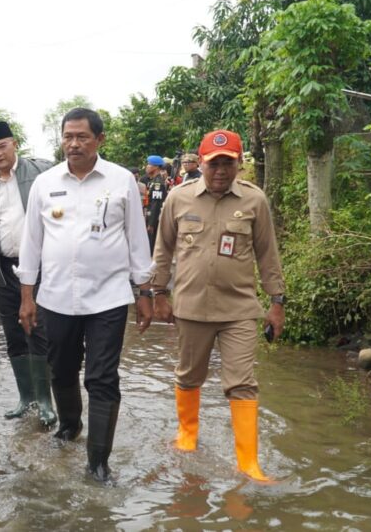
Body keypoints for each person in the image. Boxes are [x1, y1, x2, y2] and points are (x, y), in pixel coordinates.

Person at [18, 108, 154, 482]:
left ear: (100, 140)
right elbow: (31, 243)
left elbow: (136, 239)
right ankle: (70, 426)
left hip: (108, 297)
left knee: (102, 377)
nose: (73, 144)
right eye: (68, 137)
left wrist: (145, 290)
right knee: (60, 368)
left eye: (82, 137)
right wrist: (27, 296)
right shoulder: (45, 184)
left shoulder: (121, 180)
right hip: (56, 297)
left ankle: (98, 461)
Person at [151, 129, 285, 482]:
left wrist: (277, 302)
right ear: (202, 162)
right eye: (213, 164)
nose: (220, 171)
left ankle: (248, 465)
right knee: (189, 376)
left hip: (239, 309)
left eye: (228, 163)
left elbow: (267, 254)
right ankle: (187, 436)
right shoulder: (178, 199)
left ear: (239, 164)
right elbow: (162, 249)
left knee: (242, 383)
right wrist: (157, 293)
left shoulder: (254, 201)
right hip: (191, 307)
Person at [0, 121, 56, 426]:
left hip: (40, 268)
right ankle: (26, 397)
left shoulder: (40, 174)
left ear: (15, 144)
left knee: (39, 330)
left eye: (3, 146)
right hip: (3, 268)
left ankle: (46, 401)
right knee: (12, 334)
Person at [142, 155, 168, 254]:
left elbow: (156, 204)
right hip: (149, 216)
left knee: (151, 246)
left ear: (156, 167)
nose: (147, 166)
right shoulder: (152, 181)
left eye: (149, 164)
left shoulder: (158, 183)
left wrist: (151, 223)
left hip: (154, 219)